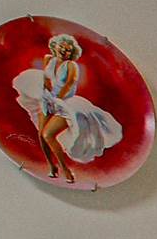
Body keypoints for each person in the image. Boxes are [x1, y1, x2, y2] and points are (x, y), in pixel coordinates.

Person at [10, 30, 122, 181]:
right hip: (47, 100)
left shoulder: (71, 66)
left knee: (48, 134)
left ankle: (65, 169)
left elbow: (69, 85)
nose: (64, 51)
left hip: (64, 103)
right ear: (55, 46)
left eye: (68, 50)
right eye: (62, 47)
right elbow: (46, 79)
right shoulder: (48, 59)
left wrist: (57, 100)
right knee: (41, 135)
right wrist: (46, 96)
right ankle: (52, 166)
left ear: (72, 53)